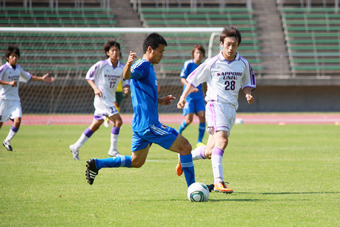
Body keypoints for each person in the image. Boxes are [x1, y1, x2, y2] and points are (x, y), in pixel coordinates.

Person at [85, 33, 195, 189]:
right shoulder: (142, 65)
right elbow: (127, 75)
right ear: (150, 49)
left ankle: (96, 164)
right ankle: (192, 188)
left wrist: (160, 100)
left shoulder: (148, 68)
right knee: (185, 147)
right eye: (161, 51)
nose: (162, 55)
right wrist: (129, 64)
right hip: (149, 125)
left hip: (140, 125)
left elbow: (142, 93)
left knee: (137, 161)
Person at [176, 26, 256, 193]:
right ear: (221, 44)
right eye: (227, 44)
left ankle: (184, 157)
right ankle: (219, 182)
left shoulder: (243, 64)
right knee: (223, 141)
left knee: (211, 151)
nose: (230, 48)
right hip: (215, 104)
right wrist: (183, 97)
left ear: (238, 45)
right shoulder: (212, 63)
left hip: (231, 108)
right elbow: (193, 80)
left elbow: (247, 83)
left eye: (234, 44)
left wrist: (247, 94)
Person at [69, 40, 130, 160]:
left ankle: (75, 146)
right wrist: (95, 88)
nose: (115, 52)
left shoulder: (122, 67)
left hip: (109, 99)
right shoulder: (101, 65)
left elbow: (126, 80)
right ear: (107, 53)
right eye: (112, 50)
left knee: (95, 126)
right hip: (102, 99)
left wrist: (126, 88)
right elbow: (88, 76)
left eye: (116, 50)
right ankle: (113, 150)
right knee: (118, 121)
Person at [0, 45, 54, 151]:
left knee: (18, 120)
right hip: (3, 100)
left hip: (15, 100)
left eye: (16, 56)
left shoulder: (18, 69)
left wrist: (42, 79)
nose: (15, 58)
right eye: (13, 56)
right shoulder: (3, 68)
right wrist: (8, 82)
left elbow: (28, 77)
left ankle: (7, 141)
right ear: (8, 57)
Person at [178, 45, 206, 147]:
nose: (198, 55)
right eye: (196, 53)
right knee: (189, 120)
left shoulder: (203, 66)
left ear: (203, 55)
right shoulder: (188, 64)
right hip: (189, 97)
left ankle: (199, 141)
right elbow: (182, 79)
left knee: (202, 117)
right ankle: (178, 133)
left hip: (199, 97)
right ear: (193, 54)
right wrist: (191, 88)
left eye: (200, 53)